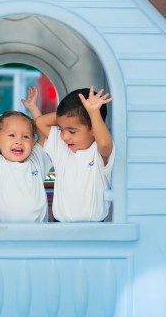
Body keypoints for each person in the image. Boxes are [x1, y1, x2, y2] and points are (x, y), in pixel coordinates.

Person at [35, 86, 115, 222]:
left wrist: (93, 113)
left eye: (72, 131)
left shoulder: (99, 151)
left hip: (94, 230)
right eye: (61, 129)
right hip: (60, 225)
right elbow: (40, 122)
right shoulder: (60, 145)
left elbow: (105, 144)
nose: (65, 136)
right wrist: (71, 115)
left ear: (94, 130)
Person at [0, 80, 52, 223]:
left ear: (32, 142)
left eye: (25, 136)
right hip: (5, 236)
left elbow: (43, 133)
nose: (19, 141)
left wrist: (33, 108)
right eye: (11, 135)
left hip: (38, 236)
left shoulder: (36, 161)